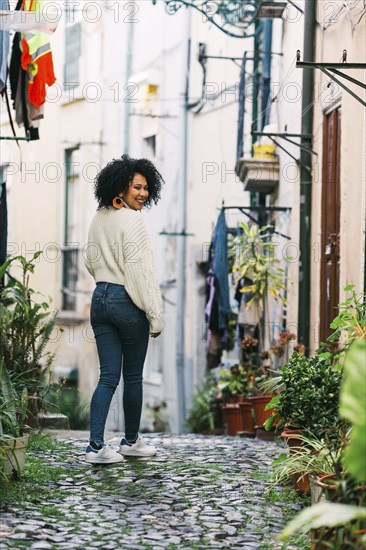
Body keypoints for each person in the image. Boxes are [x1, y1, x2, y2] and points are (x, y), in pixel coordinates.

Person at [84, 155, 164, 464]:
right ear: (121, 187)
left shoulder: (98, 217)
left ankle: (95, 447)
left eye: (146, 188)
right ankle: (130, 442)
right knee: (132, 378)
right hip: (127, 301)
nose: (142, 194)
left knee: (107, 377)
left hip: (99, 298)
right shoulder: (133, 220)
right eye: (137, 187)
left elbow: (90, 261)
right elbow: (141, 271)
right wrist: (155, 315)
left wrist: (106, 279)